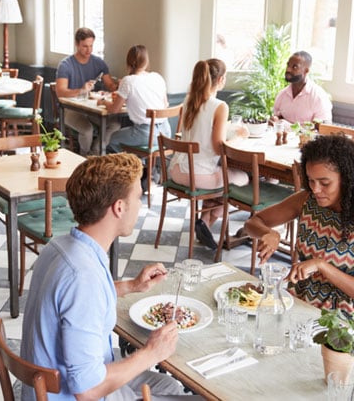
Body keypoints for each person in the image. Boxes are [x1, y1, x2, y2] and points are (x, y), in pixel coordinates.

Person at [21, 153, 201, 401]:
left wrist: (131, 286)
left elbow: (75, 304)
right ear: (119, 207)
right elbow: (88, 390)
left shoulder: (61, 246)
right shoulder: (83, 277)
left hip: (53, 386)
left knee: (169, 387)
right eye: (138, 197)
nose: (139, 205)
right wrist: (151, 353)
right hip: (76, 393)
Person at [244, 135, 354, 319]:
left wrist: (322, 266)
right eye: (310, 180)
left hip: (340, 323)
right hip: (296, 304)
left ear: (347, 179)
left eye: (325, 183)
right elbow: (252, 223)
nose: (315, 189)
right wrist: (268, 233)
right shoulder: (306, 201)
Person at [169, 59, 248, 249]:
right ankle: (207, 220)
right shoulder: (220, 106)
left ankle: (204, 220)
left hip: (176, 169)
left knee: (221, 176)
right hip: (197, 176)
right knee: (242, 178)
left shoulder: (190, 99)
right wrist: (239, 136)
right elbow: (218, 147)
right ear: (221, 79)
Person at [55, 27, 120, 156]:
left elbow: (110, 85)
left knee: (115, 125)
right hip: (69, 109)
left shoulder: (98, 63)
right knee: (87, 130)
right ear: (77, 44)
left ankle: (95, 151)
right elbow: (60, 92)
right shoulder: (65, 65)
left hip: (91, 108)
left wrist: (121, 84)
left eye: (91, 46)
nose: (89, 50)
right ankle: (83, 157)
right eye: (85, 46)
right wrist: (81, 90)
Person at [104, 45, 170, 154]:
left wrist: (103, 102)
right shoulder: (157, 77)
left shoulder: (128, 81)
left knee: (113, 138)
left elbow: (114, 110)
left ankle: (135, 164)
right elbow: (165, 104)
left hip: (146, 134)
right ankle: (141, 164)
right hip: (165, 132)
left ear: (128, 63)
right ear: (146, 62)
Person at [272, 51, 332, 124]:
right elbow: (278, 117)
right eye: (288, 65)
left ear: (306, 71)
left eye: (295, 67)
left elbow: (324, 127)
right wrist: (275, 119)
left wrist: (295, 130)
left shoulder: (318, 96)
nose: (288, 70)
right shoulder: (282, 95)